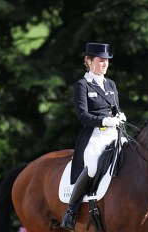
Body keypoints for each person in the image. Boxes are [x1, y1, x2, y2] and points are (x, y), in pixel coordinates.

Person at [60, 42, 126, 230]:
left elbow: (115, 109)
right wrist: (105, 121)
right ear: (88, 61)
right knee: (92, 167)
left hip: (115, 133)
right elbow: (83, 116)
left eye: (106, 61)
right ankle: (71, 212)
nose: (104, 64)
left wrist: (119, 116)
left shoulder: (110, 84)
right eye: (100, 60)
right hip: (94, 135)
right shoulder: (82, 85)